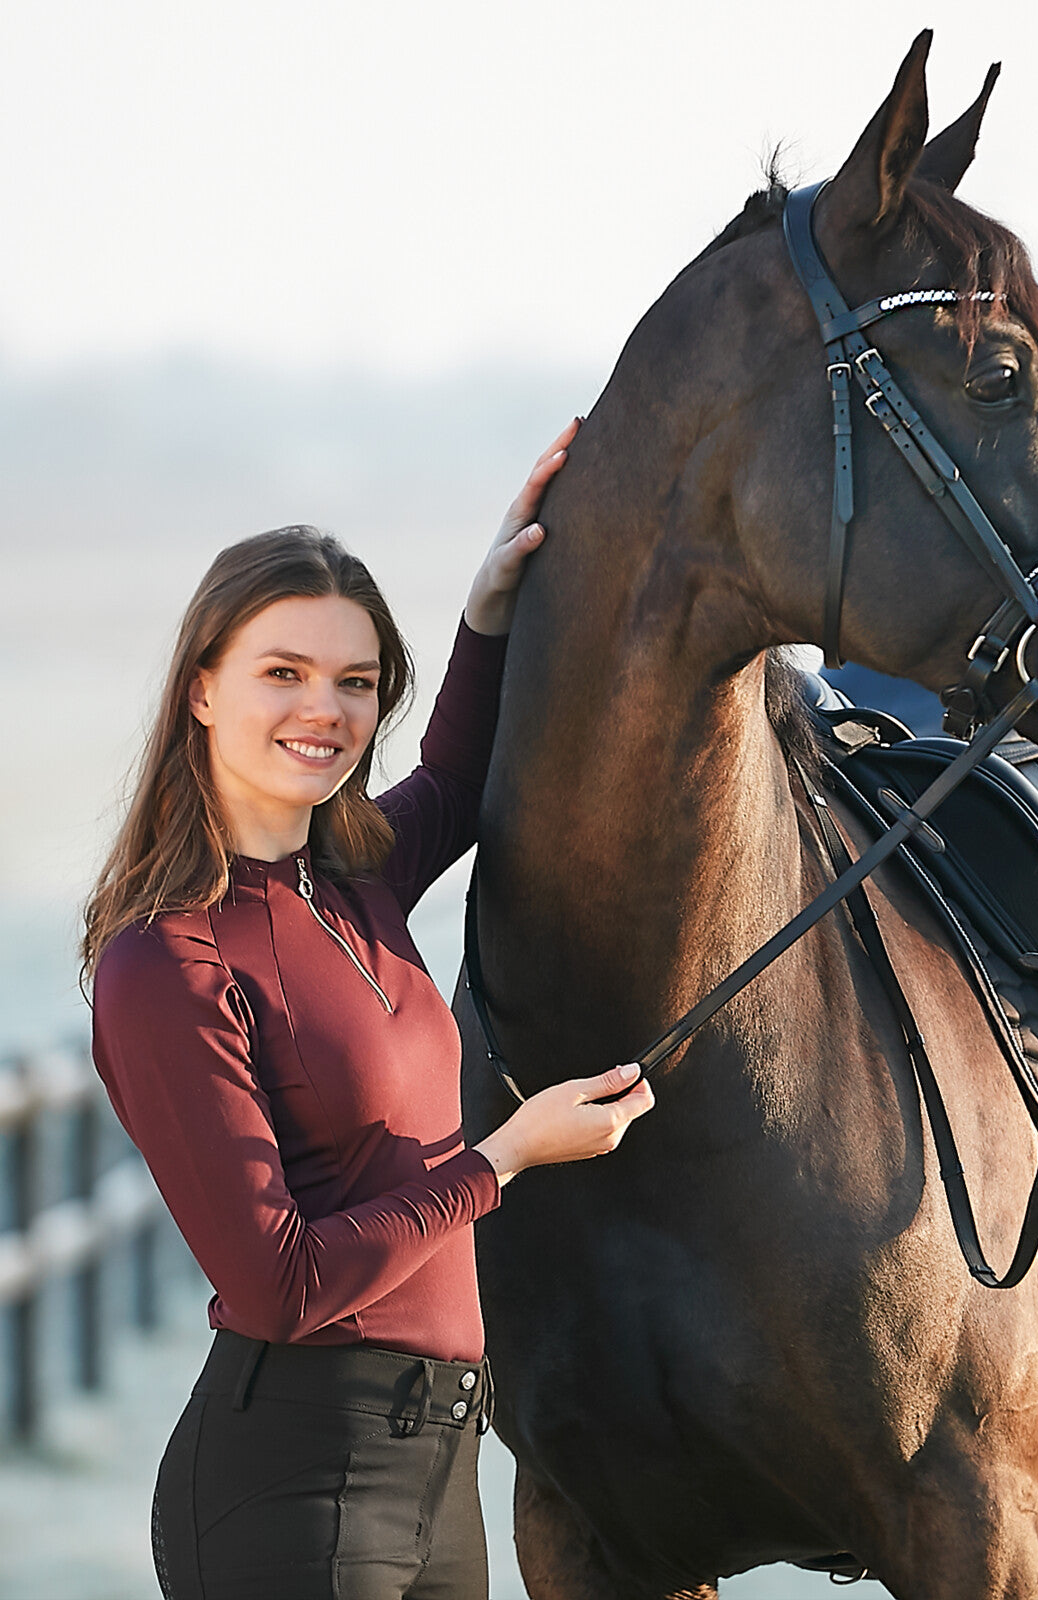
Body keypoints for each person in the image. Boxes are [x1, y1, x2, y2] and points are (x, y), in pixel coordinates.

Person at [81, 419, 655, 1600]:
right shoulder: (167, 958)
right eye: (282, 673)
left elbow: (455, 771)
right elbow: (278, 1281)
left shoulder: (355, 883)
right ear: (200, 688)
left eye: (355, 681)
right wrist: (505, 1157)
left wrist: (492, 602)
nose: (325, 710)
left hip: (443, 1465)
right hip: (290, 1479)